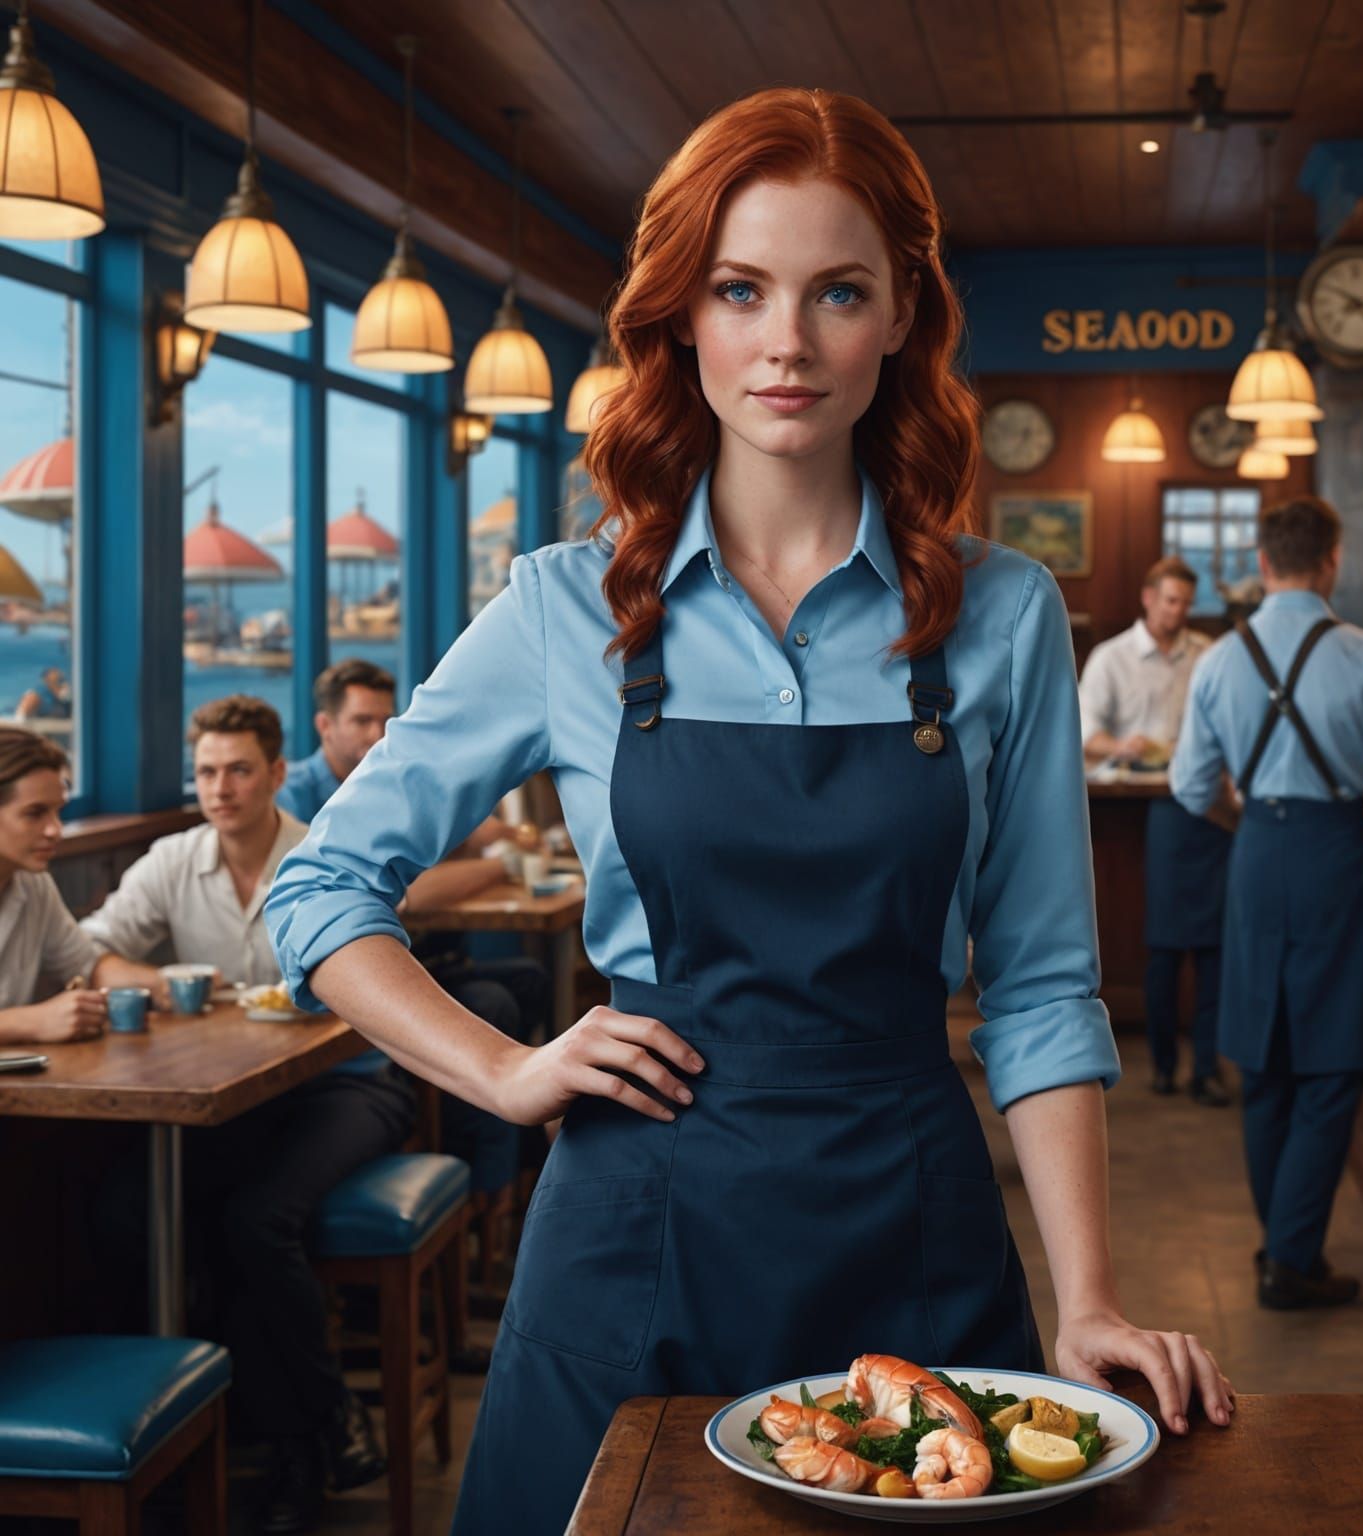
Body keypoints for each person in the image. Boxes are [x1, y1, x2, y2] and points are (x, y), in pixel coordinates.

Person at [268, 87, 1234, 1536]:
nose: (787, 344)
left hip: (913, 1218)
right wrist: (506, 1071)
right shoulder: (561, 605)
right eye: (741, 290)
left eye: (838, 292)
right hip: (633, 1224)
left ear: (903, 312)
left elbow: (1038, 988)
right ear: (683, 317)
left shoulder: (1005, 616)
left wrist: (1090, 1297)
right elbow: (323, 886)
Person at [84, 697, 414, 1536]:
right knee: (128, 1211)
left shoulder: (323, 855)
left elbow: (380, 981)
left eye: (237, 770)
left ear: (275, 773)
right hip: (238, 1100)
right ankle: (195, 1429)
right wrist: (160, 981)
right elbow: (93, 947)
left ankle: (314, 1435)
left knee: (259, 1220)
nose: (219, 789)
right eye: (204, 773)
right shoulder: (173, 860)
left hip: (349, 1083)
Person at [1170, 496, 1363, 1311]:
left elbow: (1188, 786)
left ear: (1260, 561)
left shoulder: (1217, 660)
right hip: (1333, 855)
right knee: (1336, 1060)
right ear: (1332, 561)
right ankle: (1289, 1255)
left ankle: (1284, 1244)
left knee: (1265, 1056)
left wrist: (1249, 819)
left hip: (1256, 855)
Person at [280, 657, 551, 1198]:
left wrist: (505, 835)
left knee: (529, 982)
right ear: (324, 726)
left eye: (385, 720)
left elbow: (486, 829)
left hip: (423, 956)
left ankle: (515, 1186)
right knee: (493, 1004)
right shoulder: (296, 799)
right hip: (349, 982)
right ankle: (482, 1187)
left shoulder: (390, 782)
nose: (376, 734)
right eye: (360, 721)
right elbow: (399, 897)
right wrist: (498, 864)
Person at [1080, 557, 1234, 1106]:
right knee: (1164, 948)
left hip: (1208, 810)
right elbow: (1082, 731)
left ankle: (1207, 1065)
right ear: (1148, 598)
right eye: (1171, 601)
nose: (1179, 612)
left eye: (1187, 604)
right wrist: (1116, 745)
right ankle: (1165, 1064)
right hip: (1142, 813)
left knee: (1215, 948)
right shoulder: (1111, 657)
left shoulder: (1210, 655)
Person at [0, 727, 164, 1041]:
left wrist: (162, 984)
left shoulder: (34, 886)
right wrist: (31, 1022)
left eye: (58, 812)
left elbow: (88, 965)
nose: (55, 830)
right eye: (35, 814)